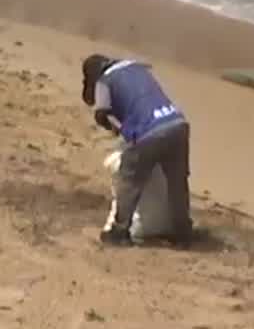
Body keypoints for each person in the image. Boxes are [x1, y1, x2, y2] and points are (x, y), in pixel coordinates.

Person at [82, 54, 193, 246]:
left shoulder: (104, 80)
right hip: (178, 124)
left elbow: (101, 113)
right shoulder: (136, 66)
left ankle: (119, 231)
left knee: (129, 178)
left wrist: (119, 129)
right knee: (177, 181)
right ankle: (182, 231)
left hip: (150, 131)